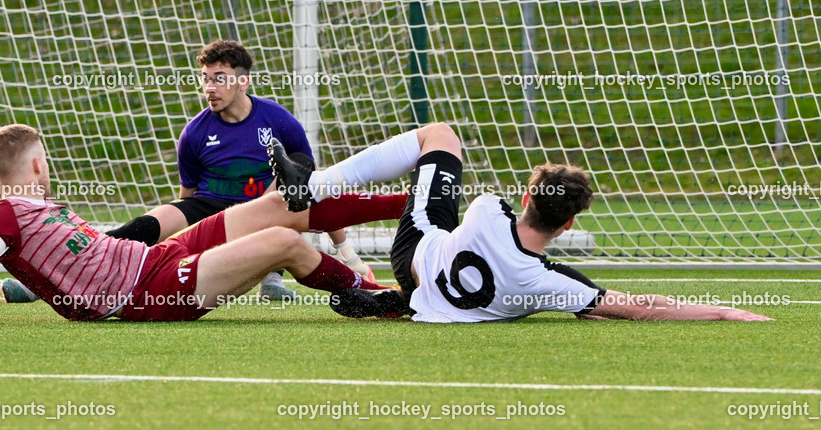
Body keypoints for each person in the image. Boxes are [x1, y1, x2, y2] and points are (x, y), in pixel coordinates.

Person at [0, 124, 404, 326]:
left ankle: (407, 203)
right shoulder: (5, 216)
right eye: (48, 158)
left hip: (154, 262)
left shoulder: (39, 210)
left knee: (277, 204)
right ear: (38, 165)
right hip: (141, 294)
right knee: (284, 241)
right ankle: (369, 295)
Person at [269, 124, 772, 322]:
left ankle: (312, 188)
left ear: (527, 195)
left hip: (415, 252)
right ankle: (396, 304)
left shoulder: (488, 207)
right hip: (444, 306)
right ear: (571, 225)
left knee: (440, 136)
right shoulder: (549, 282)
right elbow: (641, 310)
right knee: (592, 307)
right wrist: (727, 313)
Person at [0, 40, 372, 304]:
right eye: (206, 78)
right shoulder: (195, 132)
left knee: (284, 207)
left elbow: (309, 186)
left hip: (261, 210)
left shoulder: (279, 120)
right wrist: (188, 232)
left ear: (243, 81)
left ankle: (273, 276)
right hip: (211, 207)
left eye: (220, 78)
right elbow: (188, 197)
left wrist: (348, 252)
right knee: (157, 218)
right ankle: (54, 278)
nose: (210, 87)